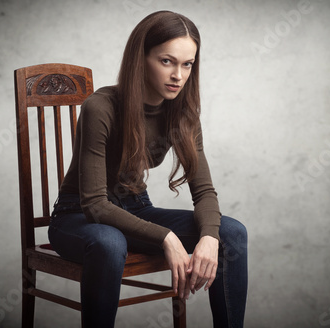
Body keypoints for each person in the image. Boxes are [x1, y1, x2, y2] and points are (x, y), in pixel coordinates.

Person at [48, 10, 248, 328]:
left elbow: (205, 192)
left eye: (187, 64)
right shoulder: (100, 107)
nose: (178, 76)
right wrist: (167, 238)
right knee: (110, 242)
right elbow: (96, 205)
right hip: (79, 218)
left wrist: (210, 238)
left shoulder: (182, 115)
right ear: (141, 58)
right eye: (167, 61)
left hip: (137, 209)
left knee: (231, 233)